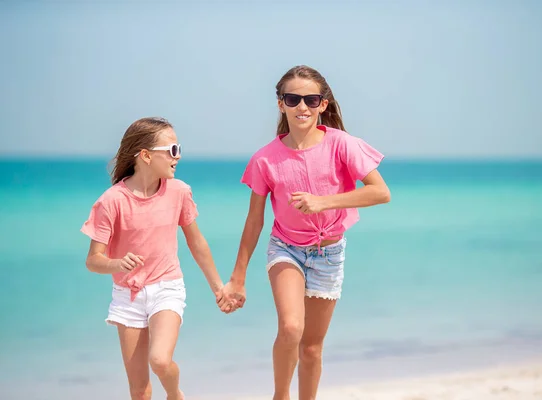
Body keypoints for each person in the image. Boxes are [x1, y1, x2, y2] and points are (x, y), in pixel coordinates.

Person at [218, 65, 391, 400]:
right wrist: (238, 277)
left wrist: (323, 202)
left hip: (329, 252)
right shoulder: (265, 159)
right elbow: (254, 220)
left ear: (322, 104)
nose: (302, 107)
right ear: (281, 104)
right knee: (291, 328)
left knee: (311, 348)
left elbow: (381, 192)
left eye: (311, 99)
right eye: (292, 99)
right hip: (286, 248)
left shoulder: (342, 144)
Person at [81, 117, 234, 400]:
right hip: (128, 296)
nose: (179, 157)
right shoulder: (112, 200)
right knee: (139, 390)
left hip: (167, 288)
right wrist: (116, 264)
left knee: (160, 360)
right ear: (146, 155)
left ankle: (175, 394)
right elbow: (93, 260)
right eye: (172, 150)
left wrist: (218, 287)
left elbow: (196, 242)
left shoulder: (179, 192)